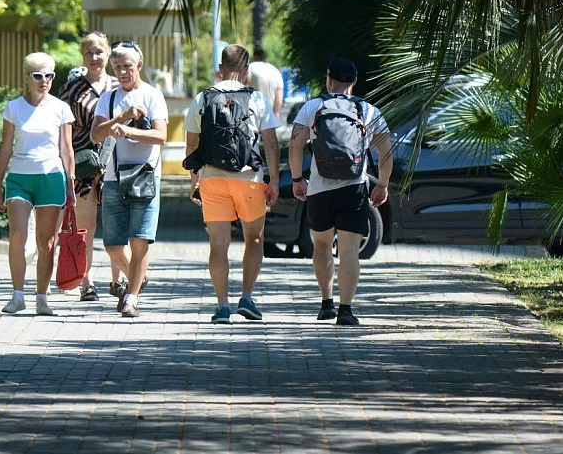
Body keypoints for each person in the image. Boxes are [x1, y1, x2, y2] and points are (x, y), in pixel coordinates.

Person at [289, 58, 393, 326]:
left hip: (319, 189)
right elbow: (386, 151)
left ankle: (326, 304)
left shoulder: (313, 107)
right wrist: (382, 185)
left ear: (329, 80)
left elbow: (295, 145)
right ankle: (346, 311)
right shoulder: (368, 111)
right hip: (354, 188)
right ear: (354, 82)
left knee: (322, 244)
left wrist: (298, 179)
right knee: (349, 250)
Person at [183, 44, 280, 324]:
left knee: (218, 245)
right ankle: (247, 298)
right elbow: (271, 145)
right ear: (246, 72)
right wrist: (273, 181)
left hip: (212, 179)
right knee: (255, 238)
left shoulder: (202, 98)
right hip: (248, 179)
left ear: (220, 69)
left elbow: (192, 144)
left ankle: (222, 305)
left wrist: (195, 181)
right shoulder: (257, 99)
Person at [0, 52, 76, 316]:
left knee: (47, 242)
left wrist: (71, 182)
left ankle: (42, 296)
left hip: (51, 177)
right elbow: (5, 148)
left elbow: (67, 148)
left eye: (49, 75)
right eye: (38, 75)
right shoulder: (14, 108)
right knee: (17, 235)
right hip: (19, 177)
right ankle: (18, 295)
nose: (44, 80)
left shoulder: (61, 108)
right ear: (27, 77)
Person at [91, 41, 168, 318]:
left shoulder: (152, 95)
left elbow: (161, 136)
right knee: (112, 245)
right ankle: (138, 276)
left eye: (128, 66)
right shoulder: (108, 98)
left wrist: (131, 132)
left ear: (140, 65)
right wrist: (122, 118)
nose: (123, 72)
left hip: (145, 176)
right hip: (113, 177)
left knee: (140, 240)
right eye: (118, 67)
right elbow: (96, 135)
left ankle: (131, 297)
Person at [57, 31, 126, 302]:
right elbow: (61, 127)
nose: (95, 57)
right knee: (86, 227)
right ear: (82, 57)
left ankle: (117, 280)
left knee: (116, 224)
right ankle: (86, 282)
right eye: (89, 53)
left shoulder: (119, 85)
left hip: (117, 163)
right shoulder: (72, 88)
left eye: (99, 52)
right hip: (84, 164)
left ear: (108, 53)